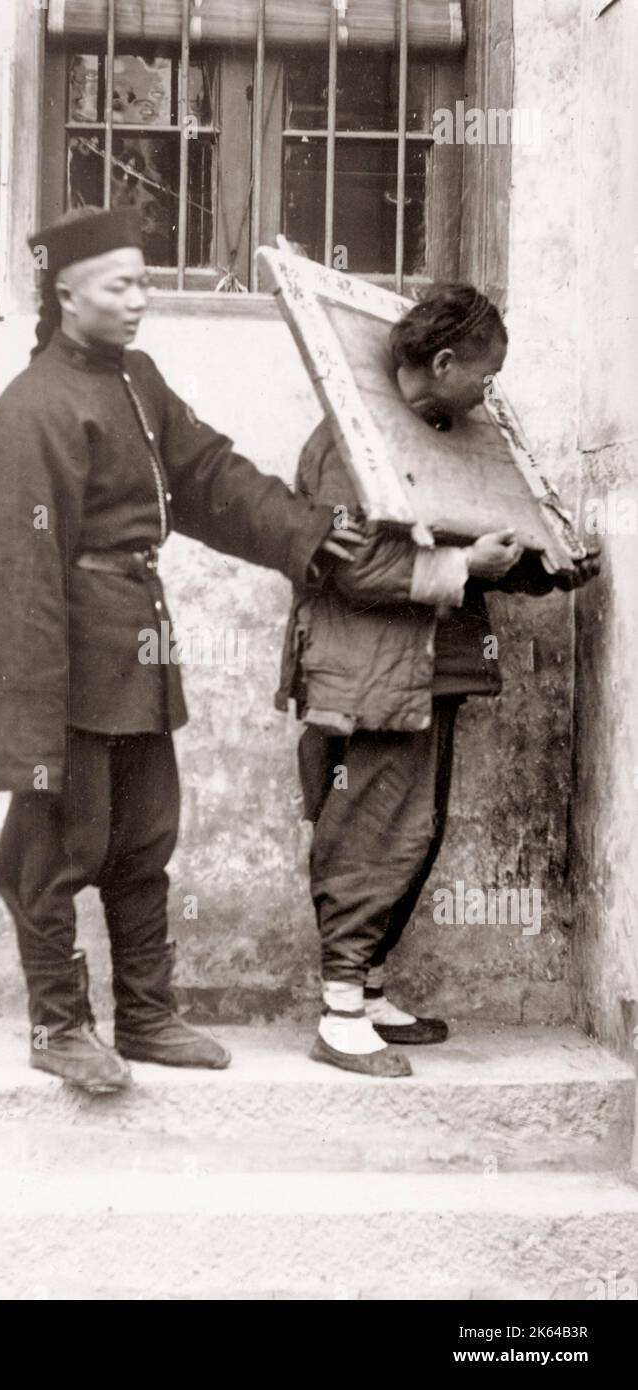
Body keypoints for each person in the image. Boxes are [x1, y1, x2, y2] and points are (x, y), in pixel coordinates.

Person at [0, 206, 362, 1093]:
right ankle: (58, 1024)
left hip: (139, 655)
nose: (141, 300)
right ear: (67, 295)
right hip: (67, 665)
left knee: (143, 839)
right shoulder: (31, 410)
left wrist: (307, 529)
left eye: (145, 280)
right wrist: (27, 732)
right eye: (121, 285)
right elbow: (14, 588)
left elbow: (209, 479)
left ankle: (145, 1016)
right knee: (55, 849)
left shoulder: (137, 381)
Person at [276, 283, 600, 1078]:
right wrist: (462, 563)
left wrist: (541, 567)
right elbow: (347, 561)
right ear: (445, 362)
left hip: (432, 668)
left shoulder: (448, 433)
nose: (491, 394)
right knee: (368, 833)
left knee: (417, 831)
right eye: (485, 377)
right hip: (370, 672)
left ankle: (372, 988)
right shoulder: (345, 441)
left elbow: (477, 545)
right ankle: (340, 1011)